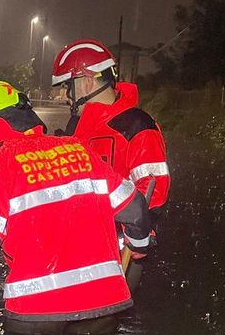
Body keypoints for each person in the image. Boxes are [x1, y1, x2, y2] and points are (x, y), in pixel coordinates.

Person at [0, 80, 154, 335]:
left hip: (36, 311)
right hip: (102, 307)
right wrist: (139, 246)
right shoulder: (80, 149)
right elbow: (135, 210)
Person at [51, 39, 171, 288]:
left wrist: (136, 233)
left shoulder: (137, 125)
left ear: (86, 81)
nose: (63, 96)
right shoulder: (77, 127)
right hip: (77, 243)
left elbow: (153, 188)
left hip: (122, 249)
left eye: (67, 87)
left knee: (105, 323)